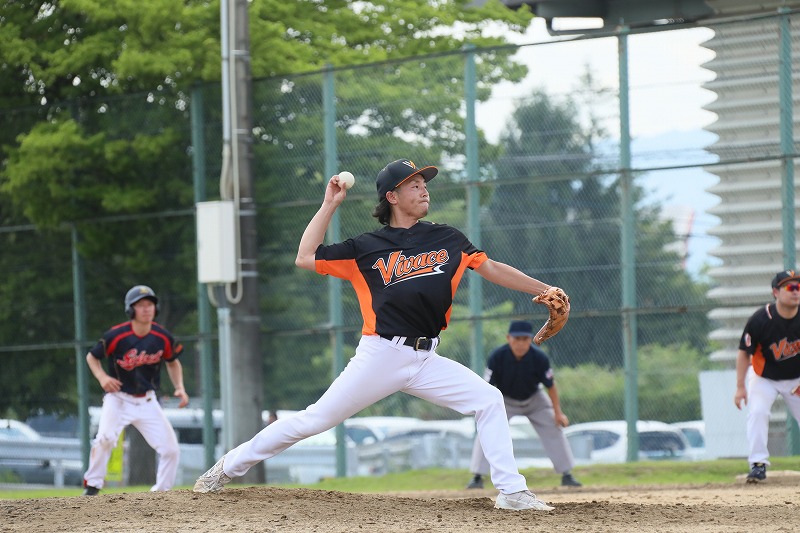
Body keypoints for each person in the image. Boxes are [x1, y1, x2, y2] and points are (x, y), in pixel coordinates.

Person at [194, 158, 569, 511]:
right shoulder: (365, 248)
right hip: (382, 355)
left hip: (426, 359)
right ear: (392, 196)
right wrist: (329, 204)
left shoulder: (448, 238)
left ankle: (512, 492)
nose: (424, 190)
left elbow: (492, 268)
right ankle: (227, 467)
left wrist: (543, 288)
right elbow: (305, 256)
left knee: (488, 399)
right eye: (414, 185)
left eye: (424, 184)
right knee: (314, 421)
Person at [82, 285, 189, 496]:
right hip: (118, 399)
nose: (146, 309)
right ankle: (93, 486)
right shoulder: (116, 335)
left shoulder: (162, 336)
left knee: (171, 449)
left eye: (150, 304)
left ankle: (161, 492)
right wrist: (103, 377)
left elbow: (173, 361)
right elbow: (92, 357)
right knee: (105, 439)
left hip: (147, 401)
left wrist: (180, 388)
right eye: (140, 305)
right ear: (130, 310)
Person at [466, 320, 581, 490]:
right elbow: (487, 386)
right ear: (508, 338)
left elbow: (551, 386)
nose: (520, 343)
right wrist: (483, 409)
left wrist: (558, 413)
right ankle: (477, 476)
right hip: (505, 400)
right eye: (517, 338)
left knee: (553, 426)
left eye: (525, 339)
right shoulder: (497, 356)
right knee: (487, 428)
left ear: (531, 339)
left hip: (534, 398)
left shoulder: (539, 357)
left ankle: (567, 474)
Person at [734, 270, 800, 483]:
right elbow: (744, 352)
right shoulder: (761, 319)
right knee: (758, 412)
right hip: (764, 377)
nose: (796, 291)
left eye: (799, 287)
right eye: (790, 287)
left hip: (796, 377)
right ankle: (758, 464)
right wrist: (740, 387)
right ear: (775, 292)